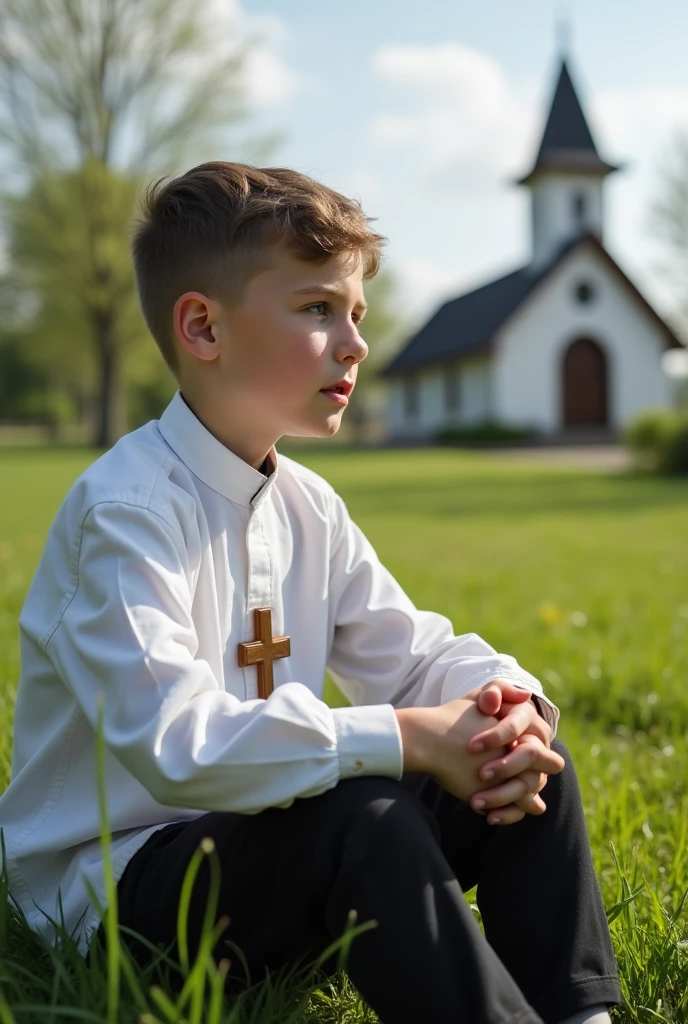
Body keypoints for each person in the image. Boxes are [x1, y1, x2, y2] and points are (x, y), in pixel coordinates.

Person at [0, 162, 620, 1024]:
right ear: (203, 327)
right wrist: (404, 737)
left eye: (356, 314)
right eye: (318, 308)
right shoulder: (125, 511)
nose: (356, 343)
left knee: (514, 748)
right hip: (118, 890)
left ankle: (580, 1015)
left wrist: (508, 705)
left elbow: (412, 654)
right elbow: (178, 743)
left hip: (265, 838)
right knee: (363, 817)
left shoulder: (306, 504)